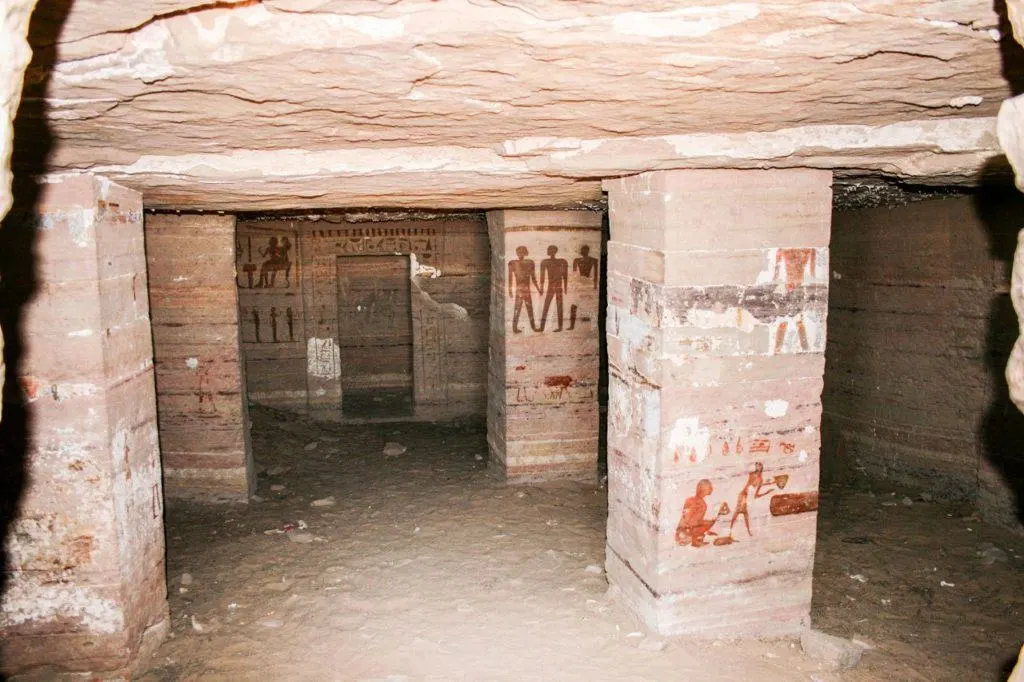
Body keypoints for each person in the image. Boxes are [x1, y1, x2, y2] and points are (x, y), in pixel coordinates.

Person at [729, 462, 777, 537]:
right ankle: (732, 530)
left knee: (744, 514)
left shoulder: (760, 479)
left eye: (759, 466)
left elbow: (756, 495)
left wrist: (767, 492)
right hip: (743, 496)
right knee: (739, 512)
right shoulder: (752, 475)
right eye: (757, 466)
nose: (757, 467)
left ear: (761, 468)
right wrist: (768, 484)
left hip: (747, 497)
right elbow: (751, 479)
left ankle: (747, 532)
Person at [676, 479, 721, 547]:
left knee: (708, 523)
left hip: (679, 533)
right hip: (685, 536)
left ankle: (696, 538)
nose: (712, 489)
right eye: (710, 487)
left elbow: (686, 519)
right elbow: (694, 522)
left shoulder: (689, 499)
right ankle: (696, 541)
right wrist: (709, 523)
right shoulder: (702, 505)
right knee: (709, 522)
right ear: (704, 490)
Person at [508, 246, 539, 333]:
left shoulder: (530, 262)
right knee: (517, 308)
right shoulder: (512, 263)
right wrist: (510, 290)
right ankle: (514, 328)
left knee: (529, 308)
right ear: (517, 253)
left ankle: (533, 327)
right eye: (519, 252)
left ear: (525, 252)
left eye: (522, 252)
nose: (520, 254)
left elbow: (533, 278)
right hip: (520, 288)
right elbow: (510, 278)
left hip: (526, 289)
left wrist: (538, 288)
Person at [538, 245, 569, 331]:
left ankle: (557, 327)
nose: (548, 251)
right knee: (549, 305)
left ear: (554, 251)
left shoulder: (561, 261)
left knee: (556, 306)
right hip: (554, 286)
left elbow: (565, 276)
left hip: (555, 286)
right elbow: (542, 277)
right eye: (548, 249)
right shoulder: (545, 262)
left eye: (549, 249)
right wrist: (541, 288)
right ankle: (542, 327)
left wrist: (565, 287)